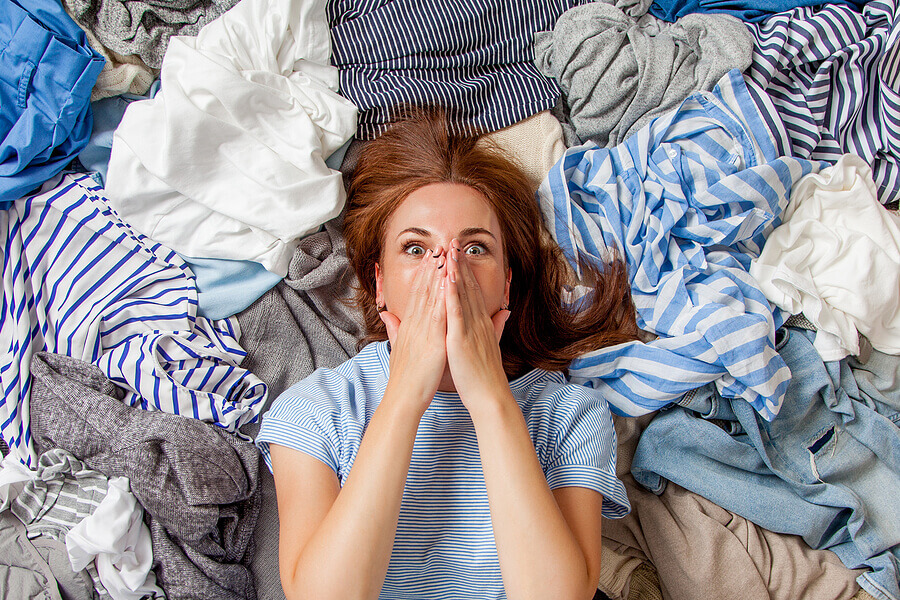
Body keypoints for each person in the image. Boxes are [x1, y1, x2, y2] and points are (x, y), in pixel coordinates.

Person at [255, 108, 640, 600]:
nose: (448, 273)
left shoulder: (569, 414)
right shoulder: (318, 409)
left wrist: (489, 398)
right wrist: (406, 393)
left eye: (475, 248)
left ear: (506, 284)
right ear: (379, 283)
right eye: (416, 249)